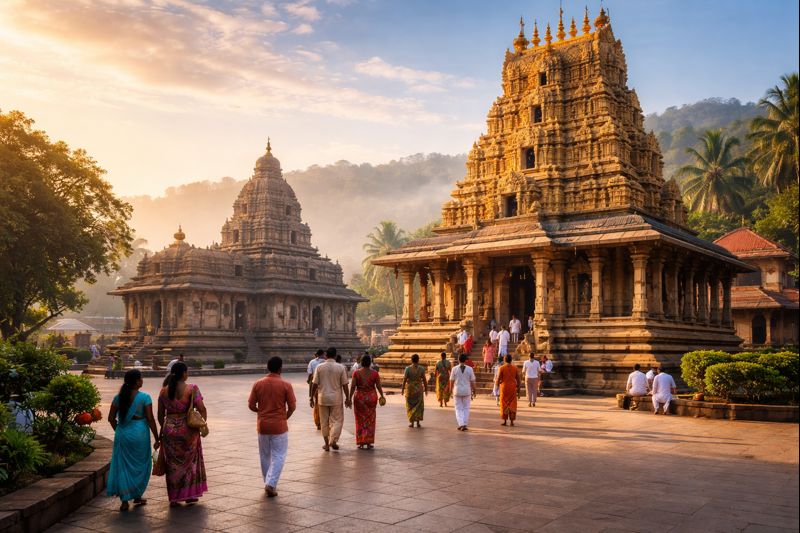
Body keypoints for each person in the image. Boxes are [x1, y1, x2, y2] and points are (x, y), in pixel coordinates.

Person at [107, 369, 160, 511]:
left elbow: (111, 419)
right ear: (137, 381)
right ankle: (137, 494)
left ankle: (125, 500)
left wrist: (119, 431)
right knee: (141, 465)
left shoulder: (118, 398)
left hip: (123, 434)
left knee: (123, 466)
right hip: (139, 434)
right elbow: (150, 419)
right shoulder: (144, 397)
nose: (142, 380)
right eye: (141, 378)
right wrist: (157, 437)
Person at [158, 362, 208, 506]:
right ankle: (189, 495)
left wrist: (165, 428)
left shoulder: (164, 391)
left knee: (172, 465)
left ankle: (174, 497)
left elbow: (160, 415)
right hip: (188, 430)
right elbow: (202, 408)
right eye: (187, 371)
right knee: (190, 463)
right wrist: (202, 423)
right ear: (183, 373)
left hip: (170, 430)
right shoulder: (192, 389)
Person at [248, 356, 296, 497]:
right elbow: (292, 407)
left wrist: (261, 412)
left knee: (264, 455)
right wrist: (284, 417)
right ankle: (271, 484)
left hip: (262, 425)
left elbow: (251, 405)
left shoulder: (258, 384)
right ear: (280, 368)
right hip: (279, 426)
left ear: (268, 367)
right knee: (279, 455)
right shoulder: (286, 385)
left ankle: (268, 482)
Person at [310, 347, 350, 451]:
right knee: (337, 420)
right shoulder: (340, 367)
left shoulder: (319, 367)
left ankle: (326, 444)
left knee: (324, 421)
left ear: (326, 356)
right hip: (336, 398)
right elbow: (345, 385)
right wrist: (348, 398)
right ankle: (333, 441)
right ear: (336, 356)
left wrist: (311, 397)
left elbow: (314, 384)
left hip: (322, 398)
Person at [348, 354, 385, 449]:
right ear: (370, 362)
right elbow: (378, 386)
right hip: (371, 397)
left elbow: (353, 386)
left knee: (360, 420)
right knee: (370, 420)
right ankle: (368, 442)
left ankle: (361, 442)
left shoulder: (356, 373)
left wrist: (349, 397)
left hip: (359, 398)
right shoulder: (375, 373)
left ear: (361, 362)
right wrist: (382, 395)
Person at [448, 353, 476, 431]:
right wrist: (474, 390)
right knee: (466, 408)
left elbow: (451, 381)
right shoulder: (470, 369)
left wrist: (450, 390)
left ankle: (461, 424)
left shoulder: (454, 369)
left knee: (458, 408)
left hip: (457, 390)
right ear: (465, 360)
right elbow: (473, 381)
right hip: (467, 391)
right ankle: (464, 423)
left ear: (458, 360)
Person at [401, 354, 427, 428]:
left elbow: (404, 380)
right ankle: (418, 422)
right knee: (419, 405)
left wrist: (402, 389)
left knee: (410, 405)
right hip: (418, 389)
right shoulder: (421, 369)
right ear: (418, 360)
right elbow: (424, 380)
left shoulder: (407, 369)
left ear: (411, 360)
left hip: (410, 390)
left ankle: (412, 423)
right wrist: (426, 389)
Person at [497, 355, 521, 426]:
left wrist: (497, 386)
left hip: (504, 388)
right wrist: (518, 389)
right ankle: (512, 422)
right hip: (512, 388)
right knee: (512, 403)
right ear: (511, 360)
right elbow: (518, 380)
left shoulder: (501, 368)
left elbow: (498, 379)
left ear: (504, 360)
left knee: (504, 403)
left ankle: (504, 421)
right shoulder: (515, 368)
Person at [307, 349, 325, 430]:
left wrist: (309, 380)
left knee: (317, 404)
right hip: (324, 386)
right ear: (323, 354)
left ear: (316, 354)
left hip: (315, 385)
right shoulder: (326, 362)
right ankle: (325, 422)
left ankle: (318, 423)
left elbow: (310, 373)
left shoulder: (312, 362)